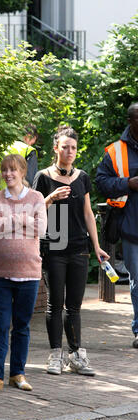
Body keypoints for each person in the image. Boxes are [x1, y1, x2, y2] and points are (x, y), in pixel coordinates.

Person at [33, 125, 109, 377]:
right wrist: (50, 198)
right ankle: (56, 354)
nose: (69, 151)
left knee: (74, 306)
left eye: (73, 147)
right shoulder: (43, 177)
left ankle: (76, 355)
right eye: (65, 147)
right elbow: (33, 212)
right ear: (56, 148)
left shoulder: (82, 177)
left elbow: (88, 213)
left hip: (78, 247)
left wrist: (96, 246)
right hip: (54, 246)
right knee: (55, 304)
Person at [0, 154, 47, 392]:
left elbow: (42, 227)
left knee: (21, 326)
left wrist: (10, 221)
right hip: (0, 273)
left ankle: (17, 373)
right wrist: (24, 218)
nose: (8, 174)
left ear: (23, 172)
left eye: (13, 170)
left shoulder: (37, 197)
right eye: (4, 170)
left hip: (29, 272)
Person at [96, 102, 138, 349]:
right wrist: (127, 184)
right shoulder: (115, 151)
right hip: (132, 228)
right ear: (131, 121)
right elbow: (101, 181)